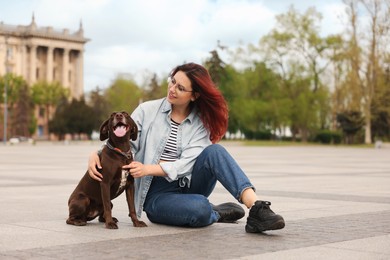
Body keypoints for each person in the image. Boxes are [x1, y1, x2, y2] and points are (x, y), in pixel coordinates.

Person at [88, 62, 285, 233]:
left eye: (181, 88)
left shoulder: (200, 124)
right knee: (199, 210)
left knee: (215, 151)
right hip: (156, 194)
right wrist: (97, 153)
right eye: (172, 81)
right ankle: (212, 211)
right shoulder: (146, 111)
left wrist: (149, 167)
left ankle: (258, 209)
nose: (172, 89)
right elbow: (124, 144)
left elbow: (187, 164)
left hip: (191, 183)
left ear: (194, 96)